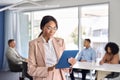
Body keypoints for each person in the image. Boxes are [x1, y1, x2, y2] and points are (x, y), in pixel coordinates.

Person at [27, 15, 68, 80]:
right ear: (42, 27)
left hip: (59, 76)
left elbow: (65, 67)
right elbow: (31, 70)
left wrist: (70, 64)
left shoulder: (61, 42)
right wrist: (48, 69)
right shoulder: (33, 44)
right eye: (49, 28)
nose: (52, 31)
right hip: (43, 77)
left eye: (54, 28)